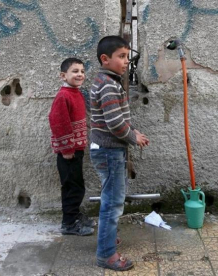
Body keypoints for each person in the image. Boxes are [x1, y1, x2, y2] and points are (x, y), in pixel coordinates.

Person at [89, 36, 149, 271]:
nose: (126, 62)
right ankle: (106, 255)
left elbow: (118, 119)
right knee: (113, 204)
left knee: (110, 200)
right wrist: (134, 137)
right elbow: (115, 124)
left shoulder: (107, 81)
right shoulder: (108, 85)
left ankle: (107, 236)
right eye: (121, 57)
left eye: (127, 56)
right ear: (105, 59)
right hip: (109, 151)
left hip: (107, 150)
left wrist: (134, 130)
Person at [49, 57, 96, 235]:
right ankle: (69, 223)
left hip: (76, 149)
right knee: (71, 187)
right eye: (75, 71)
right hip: (68, 152)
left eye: (82, 71)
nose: (80, 74)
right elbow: (58, 123)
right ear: (63, 75)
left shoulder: (76, 93)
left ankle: (74, 215)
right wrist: (67, 149)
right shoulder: (63, 96)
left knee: (77, 185)